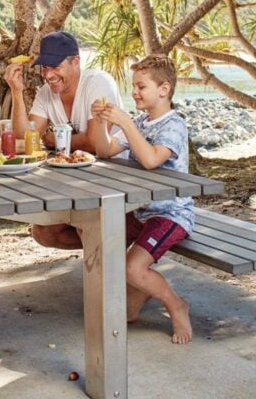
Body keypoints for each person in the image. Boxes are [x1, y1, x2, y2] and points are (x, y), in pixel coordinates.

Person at [90, 54, 195, 344]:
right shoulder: (142, 122)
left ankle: (176, 305)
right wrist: (101, 123)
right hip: (141, 210)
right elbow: (104, 150)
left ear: (164, 89)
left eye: (141, 87)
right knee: (102, 242)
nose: (134, 92)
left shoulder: (173, 126)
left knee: (132, 267)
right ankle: (137, 295)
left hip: (171, 213)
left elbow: (151, 160)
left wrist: (124, 122)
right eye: (133, 87)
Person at [4, 31, 121, 249]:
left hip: (116, 180)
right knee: (43, 233)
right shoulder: (46, 93)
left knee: (88, 223)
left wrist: (52, 140)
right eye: (44, 67)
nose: (48, 75)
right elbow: (24, 139)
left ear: (75, 62)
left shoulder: (98, 83)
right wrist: (16, 92)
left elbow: (95, 142)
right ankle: (107, 251)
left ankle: (111, 254)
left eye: (55, 67)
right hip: (77, 184)